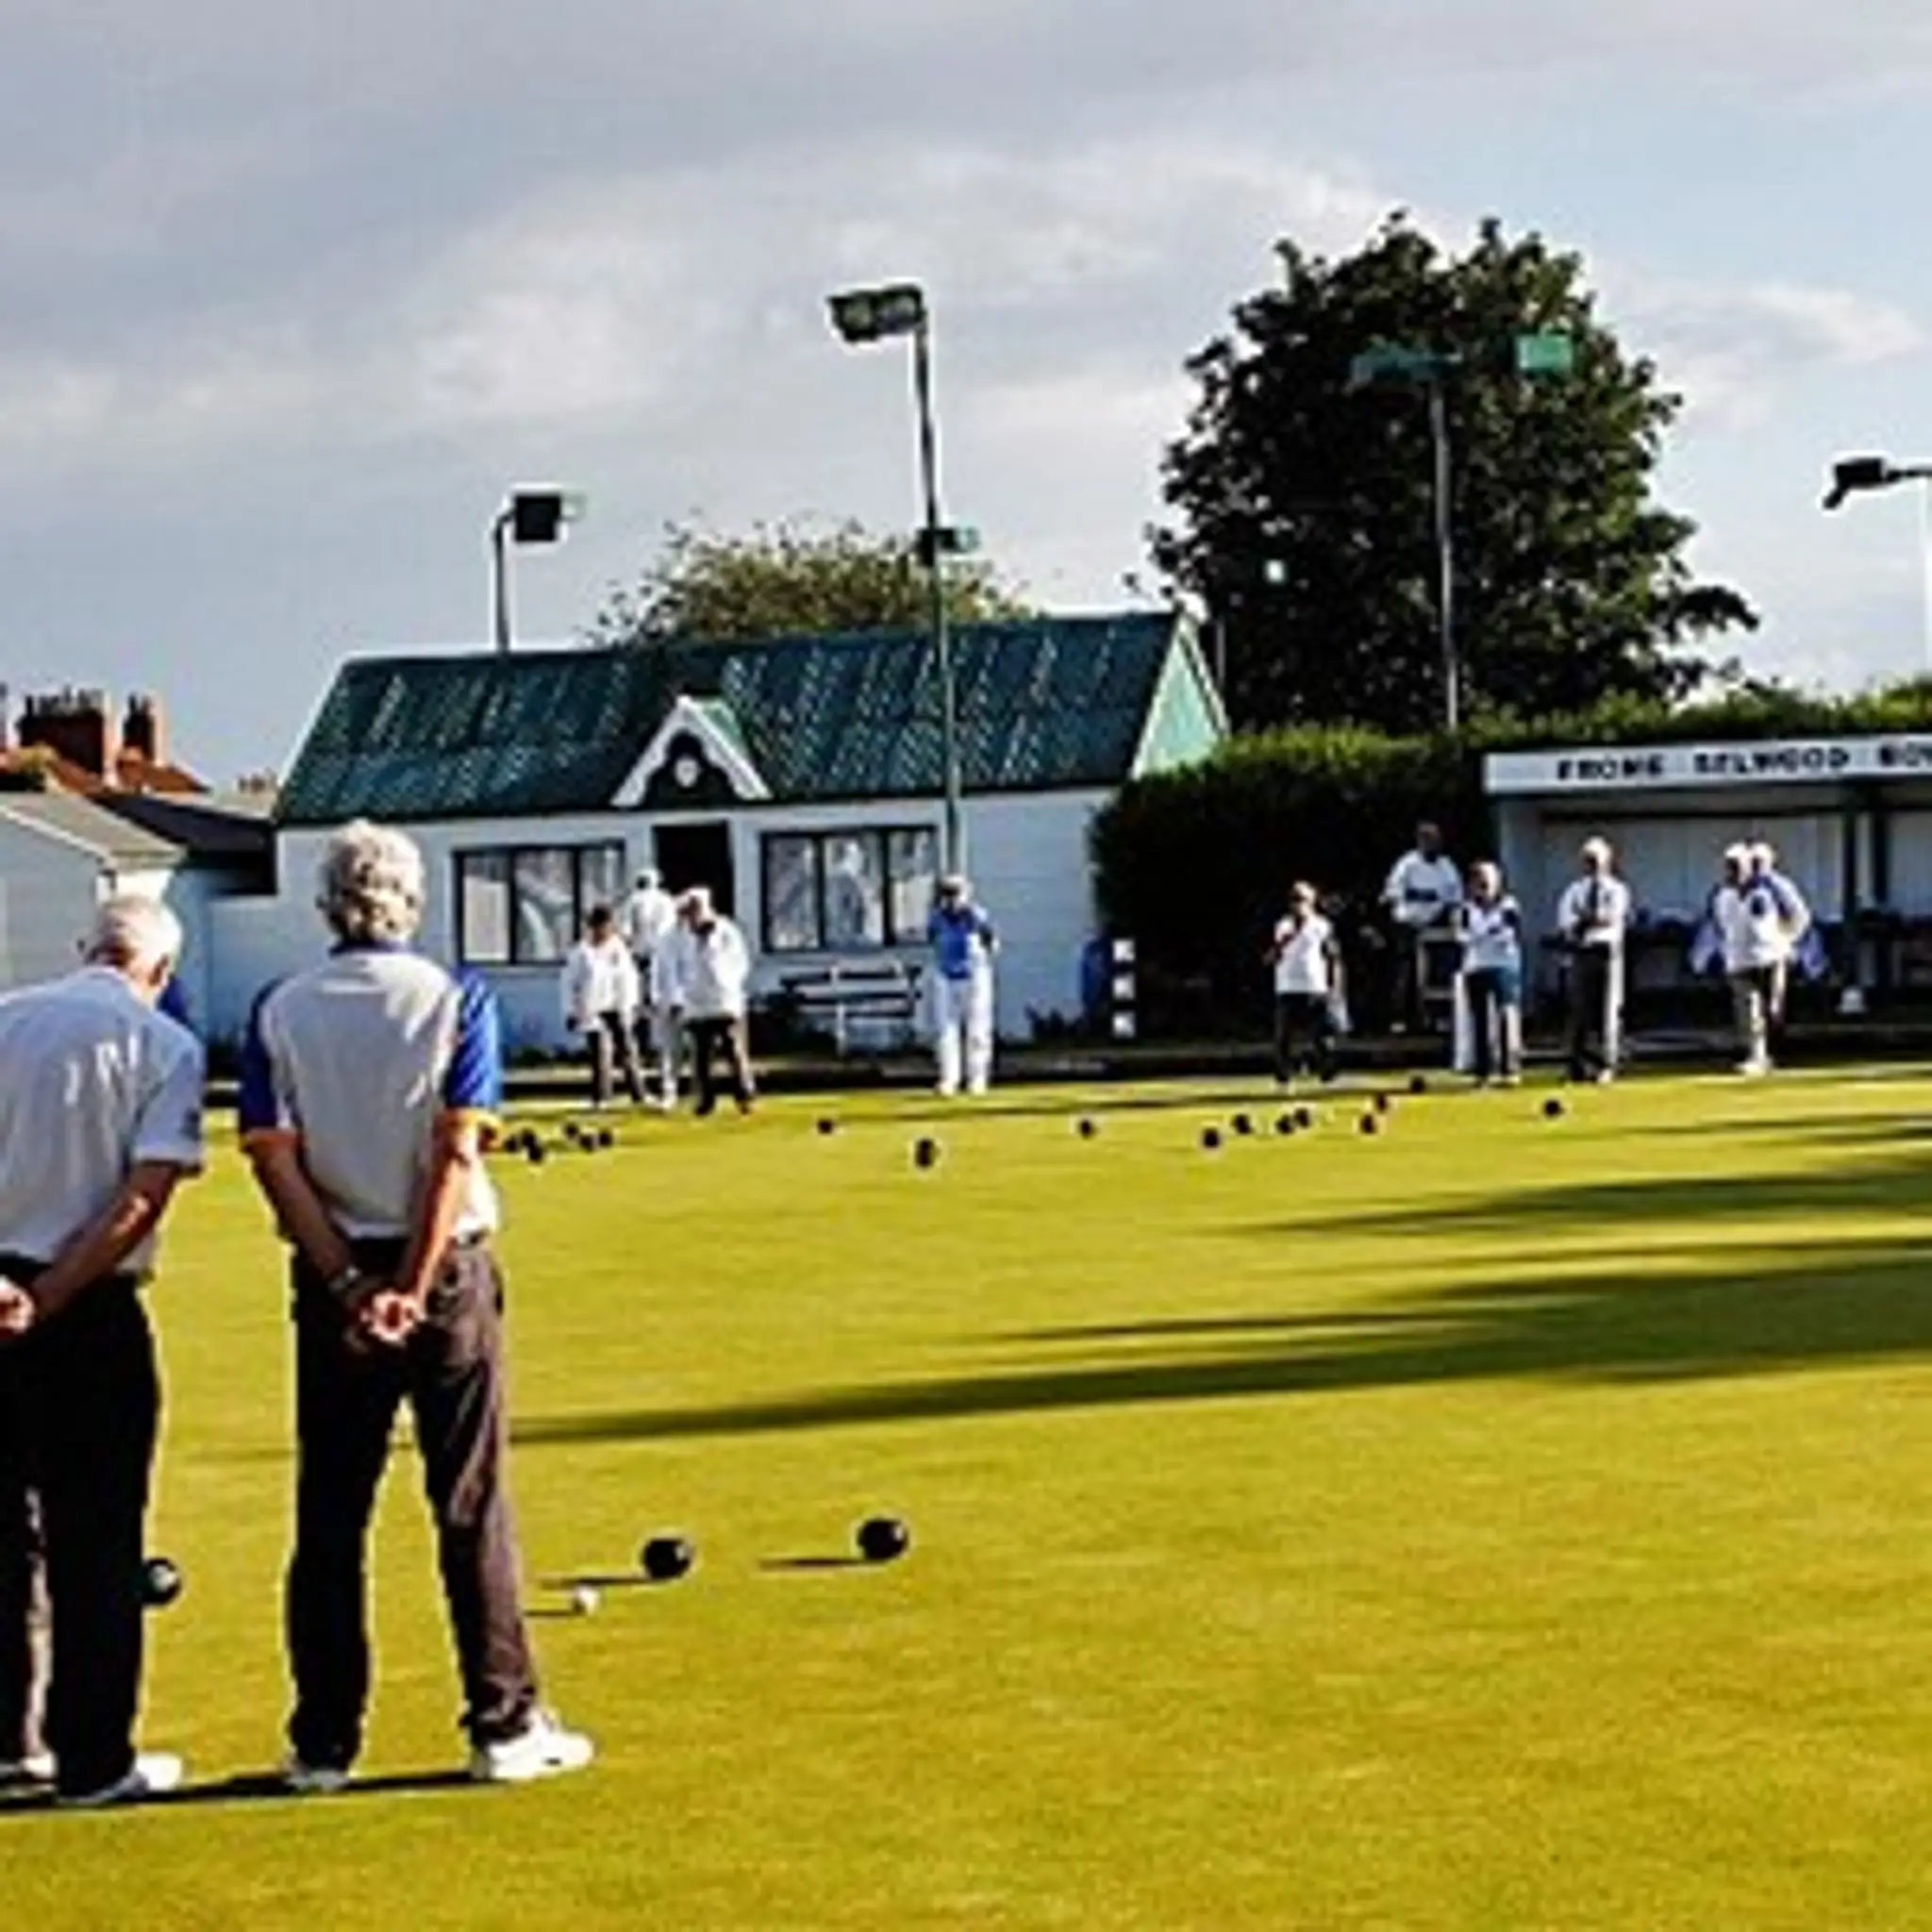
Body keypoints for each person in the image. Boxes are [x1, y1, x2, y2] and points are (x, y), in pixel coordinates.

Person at [239, 819, 592, 1790]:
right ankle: (503, 1721)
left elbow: (274, 1158)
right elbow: (454, 1154)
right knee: (469, 1500)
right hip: (442, 1273)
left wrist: (348, 1281)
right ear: (413, 899)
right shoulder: (454, 997)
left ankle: (321, 1742)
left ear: (326, 903)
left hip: (332, 1273)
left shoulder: (280, 1007)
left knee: (330, 1512)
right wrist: (409, 1283)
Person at [0, 896, 205, 1806]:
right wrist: (48, 1296)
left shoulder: (4, 1019)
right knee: (99, 1538)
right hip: (88, 1305)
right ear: (159, 973)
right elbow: (140, 1199)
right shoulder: (164, 1046)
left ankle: (11, 1739)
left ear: (88, 949)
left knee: (6, 1535)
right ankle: (93, 1759)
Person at [1700, 842, 1811, 1076]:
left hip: (1770, 957)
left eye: (1737, 866)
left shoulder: (1772, 889)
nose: (1733, 871)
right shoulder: (1721, 893)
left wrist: (1786, 940)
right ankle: (1755, 1055)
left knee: (1772, 1009)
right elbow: (1718, 924)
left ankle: (1771, 1052)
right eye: (1729, 867)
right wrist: (1725, 948)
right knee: (1749, 1011)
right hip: (1739, 961)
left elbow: (1799, 916)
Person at [661, 887, 754, 1117]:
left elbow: (740, 962)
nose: (691, 918)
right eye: (687, 913)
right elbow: (674, 968)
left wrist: (726, 982)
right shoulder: (680, 937)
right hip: (696, 1004)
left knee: (733, 1050)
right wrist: (677, 997)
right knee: (701, 1056)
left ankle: (744, 1094)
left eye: (694, 912)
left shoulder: (727, 932)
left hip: (725, 1001)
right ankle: (705, 1100)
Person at [1556, 836, 1631, 1083]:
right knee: (1579, 1010)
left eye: (1596, 860)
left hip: (1606, 951)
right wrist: (1584, 922)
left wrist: (1585, 920)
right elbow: (1566, 921)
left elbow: (1610, 918)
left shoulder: (1617, 889)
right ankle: (1577, 1063)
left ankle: (1606, 1063)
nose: (1592, 865)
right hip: (1582, 951)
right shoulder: (1574, 890)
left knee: (1607, 1009)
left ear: (1607, 861)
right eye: (1588, 860)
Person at [1381, 822, 1463, 1031]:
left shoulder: (1447, 866)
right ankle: (1400, 1018)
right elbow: (1393, 894)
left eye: (1435, 840)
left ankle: (1439, 1018)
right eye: (1427, 840)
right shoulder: (1407, 864)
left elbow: (1455, 898)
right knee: (1405, 972)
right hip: (1408, 924)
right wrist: (1419, 895)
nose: (1432, 845)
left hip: (1435, 924)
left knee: (1440, 970)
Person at [561, 906, 644, 1108]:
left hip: (617, 1005)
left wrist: (632, 1005)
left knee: (628, 1052)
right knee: (600, 1054)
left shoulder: (619, 949)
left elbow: (629, 979)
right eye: (598, 926)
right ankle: (601, 1097)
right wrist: (570, 1011)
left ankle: (639, 1094)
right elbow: (568, 983)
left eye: (607, 926)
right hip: (592, 1007)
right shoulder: (580, 952)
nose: (603, 931)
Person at [927, 874, 998, 1098]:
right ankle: (949, 1079)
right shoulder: (936, 917)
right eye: (947, 894)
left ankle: (977, 1078)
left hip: (974, 976)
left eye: (955, 894)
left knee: (977, 1029)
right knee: (946, 1030)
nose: (951, 900)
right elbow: (934, 940)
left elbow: (993, 943)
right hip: (946, 976)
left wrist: (980, 956)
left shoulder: (976, 916)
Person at [1456, 861, 1524, 1086]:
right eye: (1478, 882)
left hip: (1504, 966)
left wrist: (1483, 935)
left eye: (1487, 881)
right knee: (1480, 1019)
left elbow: (1509, 934)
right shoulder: (1465, 909)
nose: (1483, 887)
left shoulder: (1508, 906)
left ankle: (1509, 1068)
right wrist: (1486, 934)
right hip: (1475, 966)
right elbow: (1463, 937)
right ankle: (1483, 1071)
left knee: (1506, 1015)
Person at [618, 869, 681, 1108]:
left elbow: (625, 933)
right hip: (663, 962)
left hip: (642, 961)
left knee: (638, 1016)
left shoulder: (633, 901)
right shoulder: (667, 902)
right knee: (664, 1024)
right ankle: (667, 1084)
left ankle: (647, 1062)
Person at [1267, 882, 1340, 1085]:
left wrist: (1332, 986)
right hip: (1287, 987)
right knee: (1284, 1036)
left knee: (1322, 1035)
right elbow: (1272, 956)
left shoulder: (1322, 926)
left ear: (1312, 902)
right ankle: (1283, 1074)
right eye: (1294, 900)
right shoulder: (1282, 926)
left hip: (1315, 986)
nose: (1297, 905)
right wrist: (1283, 942)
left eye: (1302, 900)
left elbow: (1332, 955)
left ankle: (1327, 1071)